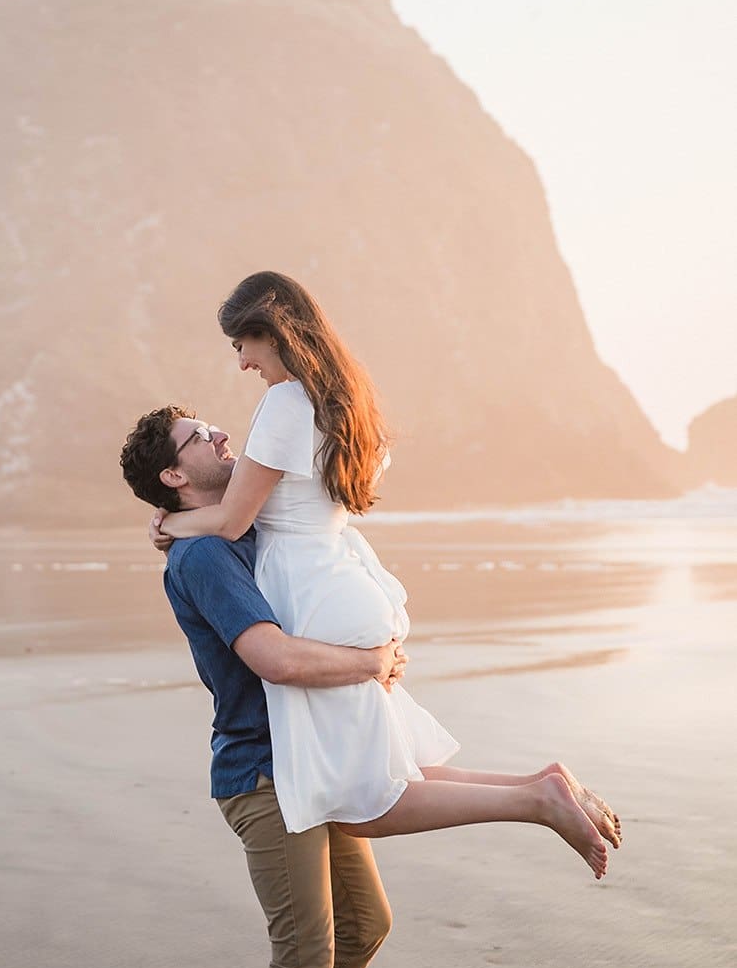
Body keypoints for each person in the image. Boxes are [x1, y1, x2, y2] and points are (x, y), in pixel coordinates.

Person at [150, 272, 621, 873]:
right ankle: (541, 781)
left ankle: (536, 800)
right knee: (387, 766)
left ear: (273, 332)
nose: (243, 363)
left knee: (361, 801)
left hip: (311, 594)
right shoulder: (346, 401)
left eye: (243, 344)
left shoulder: (284, 404)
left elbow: (235, 521)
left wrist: (169, 525)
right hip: (345, 581)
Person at [120, 404, 401, 968]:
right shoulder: (204, 556)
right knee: (305, 950)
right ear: (174, 475)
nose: (216, 433)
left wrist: (168, 521)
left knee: (365, 924)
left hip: (306, 761)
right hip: (261, 774)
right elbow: (271, 657)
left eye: (211, 423)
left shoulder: (216, 526)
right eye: (194, 438)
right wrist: (369, 663)